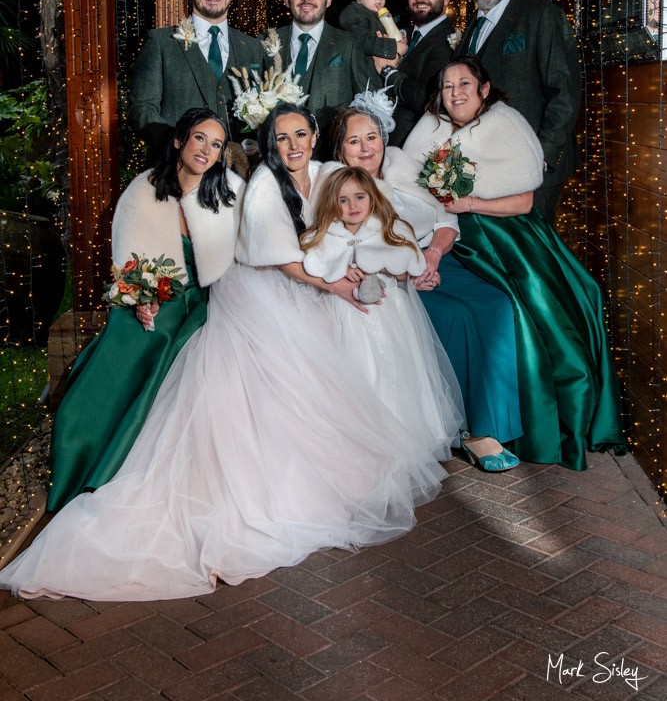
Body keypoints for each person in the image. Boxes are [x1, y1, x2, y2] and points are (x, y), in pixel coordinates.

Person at [0, 104, 461, 602]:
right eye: (281, 137)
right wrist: (333, 285)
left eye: (300, 134)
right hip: (244, 286)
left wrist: (399, 255)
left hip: (278, 280)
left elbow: (355, 219)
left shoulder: (308, 176)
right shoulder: (249, 186)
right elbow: (271, 257)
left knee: (314, 369)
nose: (293, 145)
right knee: (252, 371)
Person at [403, 57, 626, 471]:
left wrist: (470, 203)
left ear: (484, 89)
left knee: (538, 311)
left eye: (464, 83)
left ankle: (541, 418)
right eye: (448, 86)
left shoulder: (505, 125)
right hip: (452, 234)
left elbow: (523, 201)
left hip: (505, 235)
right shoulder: (430, 129)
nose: (455, 93)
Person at [47, 107, 244, 512]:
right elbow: (129, 255)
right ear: (179, 140)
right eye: (199, 138)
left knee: (176, 341)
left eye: (216, 144)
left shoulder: (229, 193)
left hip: (205, 300)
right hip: (151, 295)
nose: (206, 150)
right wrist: (141, 297)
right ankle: (82, 457)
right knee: (129, 347)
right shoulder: (145, 188)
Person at [325, 92, 522, 472]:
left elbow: (446, 220)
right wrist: (407, 270)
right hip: (392, 275)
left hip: (434, 257)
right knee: (453, 315)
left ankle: (498, 422)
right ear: (340, 148)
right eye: (354, 141)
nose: (366, 148)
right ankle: (472, 432)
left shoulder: (403, 168)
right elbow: (343, 245)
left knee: (496, 304)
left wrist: (432, 256)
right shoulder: (338, 185)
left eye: (372, 137)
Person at [303, 166, 464, 444]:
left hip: (389, 310)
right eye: (343, 200)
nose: (352, 206)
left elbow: (405, 270)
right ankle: (367, 432)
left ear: (372, 197)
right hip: (347, 312)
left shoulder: (389, 229)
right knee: (359, 369)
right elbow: (318, 267)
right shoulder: (327, 235)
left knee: (394, 369)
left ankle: (402, 432)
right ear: (332, 204)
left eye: (359, 197)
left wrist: (388, 269)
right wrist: (342, 270)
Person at [455, 0, 581, 222]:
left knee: (531, 247)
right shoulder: (473, 26)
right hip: (487, 167)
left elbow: (565, 92)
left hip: (533, 170)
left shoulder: (541, 15)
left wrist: (541, 157)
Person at [129, 0, 266, 162]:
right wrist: (178, 145)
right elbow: (141, 110)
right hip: (177, 170)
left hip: (238, 173)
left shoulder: (252, 47)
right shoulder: (161, 42)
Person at [272, 0, 376, 154]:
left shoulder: (350, 44)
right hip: (280, 158)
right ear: (286, 0)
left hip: (332, 158)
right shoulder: (266, 43)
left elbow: (368, 106)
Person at [372, 0, 456, 146]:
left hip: (413, 146)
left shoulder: (448, 41)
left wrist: (387, 70)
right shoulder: (404, 34)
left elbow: (425, 98)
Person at [338, 0, 406, 60]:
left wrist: (397, 38)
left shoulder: (377, 15)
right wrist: (393, 46)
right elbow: (361, 41)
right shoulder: (352, 14)